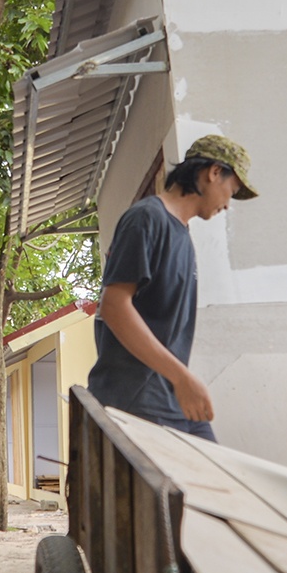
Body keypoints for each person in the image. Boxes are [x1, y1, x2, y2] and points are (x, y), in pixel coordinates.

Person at [88, 134, 258, 440]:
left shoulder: (182, 234)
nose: (228, 205)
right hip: (137, 399)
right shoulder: (146, 219)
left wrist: (180, 382)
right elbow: (113, 306)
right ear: (214, 172)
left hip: (170, 397)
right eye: (230, 192)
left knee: (218, 480)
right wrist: (182, 378)